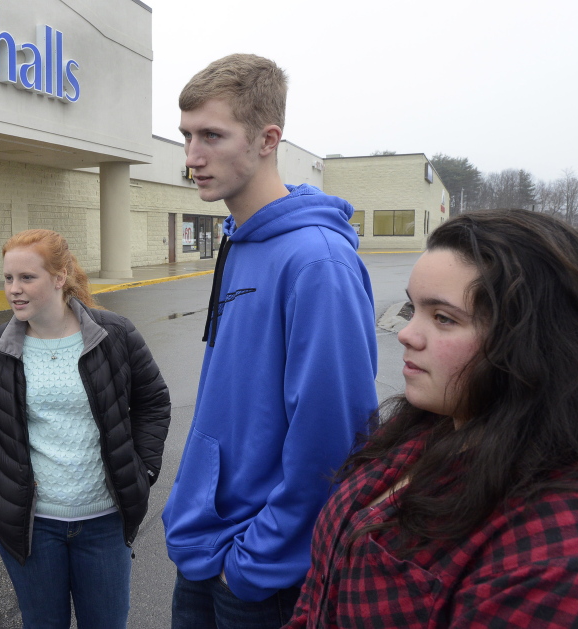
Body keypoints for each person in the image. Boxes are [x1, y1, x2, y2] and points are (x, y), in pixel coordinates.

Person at [285, 209, 578, 628]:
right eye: (414, 309)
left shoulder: (573, 558)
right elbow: (321, 592)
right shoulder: (428, 425)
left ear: (537, 342)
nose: (407, 333)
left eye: (444, 318)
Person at [161, 53, 379, 628]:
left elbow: (334, 437)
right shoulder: (238, 239)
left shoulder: (317, 261)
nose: (192, 157)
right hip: (205, 549)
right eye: (186, 136)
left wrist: (259, 560)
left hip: (259, 573)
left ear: (267, 139)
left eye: (212, 135)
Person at [0, 229, 171, 629]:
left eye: (27, 278)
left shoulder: (115, 335)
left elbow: (153, 402)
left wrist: (141, 471)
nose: (14, 290)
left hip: (105, 521)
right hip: (33, 525)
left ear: (59, 277)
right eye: (8, 279)